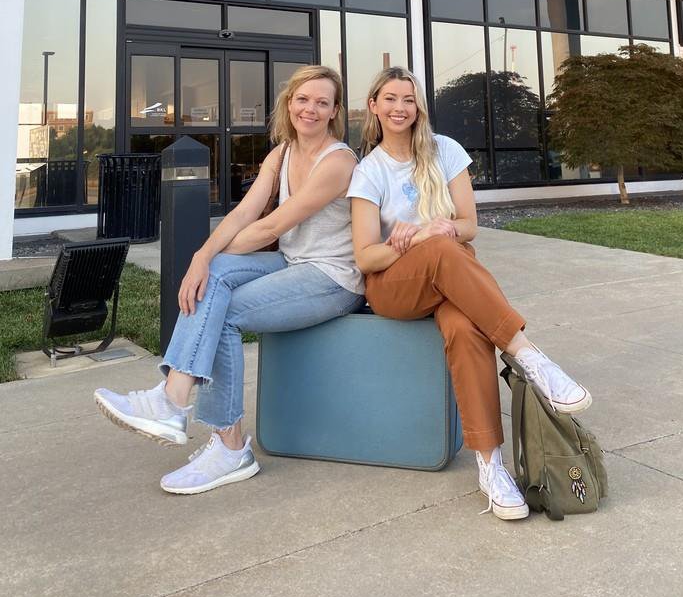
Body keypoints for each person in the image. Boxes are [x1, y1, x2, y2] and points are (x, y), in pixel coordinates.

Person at [94, 64, 364, 495]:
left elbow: (268, 228)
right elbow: (243, 213)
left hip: (333, 279)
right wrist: (202, 257)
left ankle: (216, 434)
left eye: (322, 102)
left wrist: (206, 256)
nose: (310, 109)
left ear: (334, 112)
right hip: (294, 264)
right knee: (215, 276)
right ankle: (177, 403)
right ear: (288, 103)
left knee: (223, 310)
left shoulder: (339, 162)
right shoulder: (282, 153)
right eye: (302, 99)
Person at [348, 66, 592, 521]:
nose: (400, 107)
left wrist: (440, 232)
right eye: (390, 99)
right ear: (374, 107)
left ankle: (489, 465)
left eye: (408, 99)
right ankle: (528, 355)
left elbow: (468, 225)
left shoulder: (445, 151)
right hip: (394, 286)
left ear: (418, 106)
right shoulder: (369, 171)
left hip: (451, 275)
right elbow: (366, 258)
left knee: (465, 329)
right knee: (442, 246)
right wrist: (423, 236)